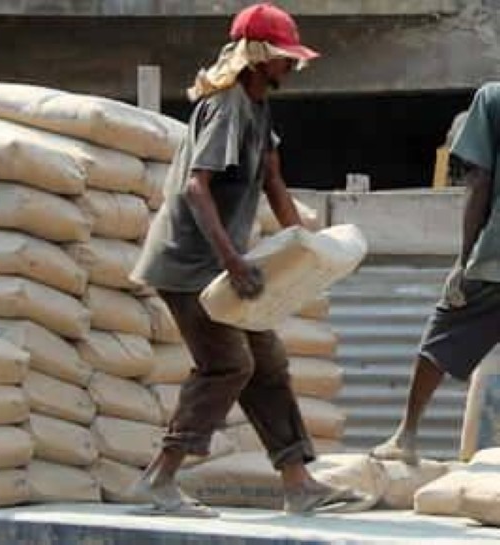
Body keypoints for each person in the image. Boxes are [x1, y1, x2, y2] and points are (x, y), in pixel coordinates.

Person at [130, 3, 361, 517]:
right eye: (285, 57)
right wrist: (233, 259)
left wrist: (309, 249)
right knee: (228, 363)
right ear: (258, 56)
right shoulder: (228, 104)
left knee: (269, 363)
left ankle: (299, 484)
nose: (292, 67)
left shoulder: (258, 106)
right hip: (189, 264)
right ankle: (159, 478)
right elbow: (196, 186)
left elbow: (274, 182)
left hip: (222, 263)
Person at [371, 83, 500, 465]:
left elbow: (478, 181)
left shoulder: (492, 98)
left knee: (443, 332)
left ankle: (406, 435)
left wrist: (463, 260)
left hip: (495, 260)